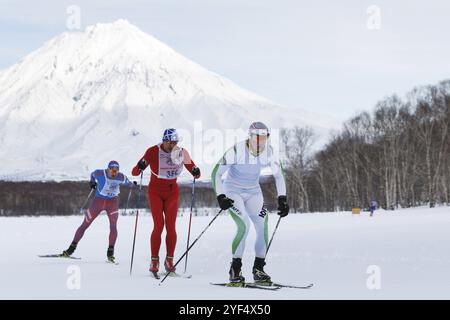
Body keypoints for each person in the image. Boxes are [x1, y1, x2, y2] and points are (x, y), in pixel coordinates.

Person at [211, 122, 289, 283]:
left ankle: (258, 269)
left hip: (253, 191)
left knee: (262, 226)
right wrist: (221, 196)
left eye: (264, 137)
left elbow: (279, 175)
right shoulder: (237, 150)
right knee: (243, 225)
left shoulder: (269, 151)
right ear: (250, 137)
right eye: (257, 138)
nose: (260, 142)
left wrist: (282, 198)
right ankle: (235, 269)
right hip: (233, 191)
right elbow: (215, 174)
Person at [132, 128, 201, 276]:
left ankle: (169, 260)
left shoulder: (181, 153)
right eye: (170, 142)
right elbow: (134, 172)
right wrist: (141, 165)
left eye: (175, 142)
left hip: (172, 192)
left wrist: (195, 170)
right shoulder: (152, 152)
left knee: (171, 227)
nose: (173, 145)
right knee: (159, 225)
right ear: (164, 141)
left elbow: (195, 170)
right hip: (155, 191)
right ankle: (154, 260)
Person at [62, 161, 136, 263]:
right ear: (108, 169)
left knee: (113, 226)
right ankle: (70, 250)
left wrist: (133, 185)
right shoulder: (100, 173)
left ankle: (110, 254)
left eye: (116, 171)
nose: (114, 173)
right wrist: (92, 182)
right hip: (98, 202)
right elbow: (92, 174)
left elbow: (128, 183)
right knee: (85, 225)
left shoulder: (121, 176)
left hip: (112, 203)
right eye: (112, 170)